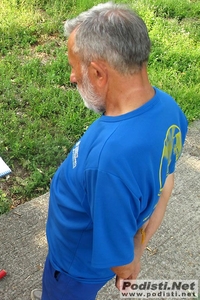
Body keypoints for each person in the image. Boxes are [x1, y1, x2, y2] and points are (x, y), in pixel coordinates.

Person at [31, 2, 188, 300]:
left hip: (74, 272)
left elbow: (120, 261)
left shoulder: (109, 160)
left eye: (74, 67)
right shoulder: (170, 110)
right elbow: (166, 182)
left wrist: (132, 264)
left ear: (99, 74)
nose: (72, 77)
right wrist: (139, 246)